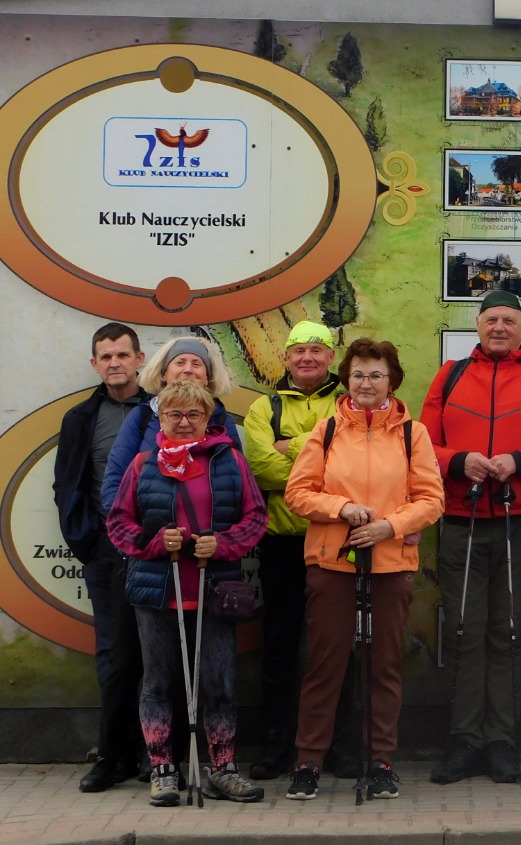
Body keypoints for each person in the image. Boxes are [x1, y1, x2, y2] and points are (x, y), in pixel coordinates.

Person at [283, 338, 445, 801]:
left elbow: (432, 500)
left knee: (384, 665)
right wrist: (342, 508)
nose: (366, 383)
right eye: (358, 375)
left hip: (390, 564)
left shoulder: (413, 433)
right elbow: (298, 493)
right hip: (332, 563)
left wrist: (388, 527)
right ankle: (308, 763)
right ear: (347, 379)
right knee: (325, 665)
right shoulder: (327, 430)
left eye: (376, 375)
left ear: (392, 381)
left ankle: (381, 763)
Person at [422, 290, 521, 785]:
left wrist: (519, 462)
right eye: (491, 319)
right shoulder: (451, 375)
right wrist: (459, 461)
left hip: (519, 520)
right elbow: (423, 445)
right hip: (460, 519)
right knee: (464, 632)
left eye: (509, 319)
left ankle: (502, 741)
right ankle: (464, 741)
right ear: (478, 325)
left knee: (507, 633)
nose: (500, 327)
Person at [105, 379, 267, 806]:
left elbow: (255, 518)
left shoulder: (230, 461)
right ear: (160, 418)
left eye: (193, 414)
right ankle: (162, 770)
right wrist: (156, 543)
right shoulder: (143, 464)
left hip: (214, 590)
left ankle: (223, 769)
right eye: (174, 414)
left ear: (208, 419)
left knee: (220, 684)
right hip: (158, 591)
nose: (183, 422)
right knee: (157, 683)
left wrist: (224, 544)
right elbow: (119, 523)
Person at [242, 320, 345, 782]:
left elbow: (347, 469)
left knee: (335, 648)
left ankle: (336, 746)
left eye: (316, 350)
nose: (307, 357)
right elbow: (260, 468)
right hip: (282, 544)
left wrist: (294, 446)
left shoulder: (347, 403)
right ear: (285, 357)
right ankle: (277, 746)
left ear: (330, 358)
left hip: (336, 540)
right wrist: (318, 451)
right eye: (299, 350)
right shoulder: (263, 407)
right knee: (280, 647)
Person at [55, 322, 149, 793]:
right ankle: (112, 756)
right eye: (106, 356)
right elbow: (67, 484)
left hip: (158, 549)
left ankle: (156, 754)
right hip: (107, 551)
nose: (115, 363)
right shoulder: (81, 417)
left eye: (122, 354)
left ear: (140, 359)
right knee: (114, 655)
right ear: (95, 364)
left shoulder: (160, 411)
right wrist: (87, 542)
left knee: (156, 654)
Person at [100, 336, 244, 515]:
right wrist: (131, 528)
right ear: (164, 374)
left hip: (212, 528)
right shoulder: (142, 416)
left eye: (197, 364)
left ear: (208, 377)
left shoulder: (221, 420)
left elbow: (241, 481)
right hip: (150, 527)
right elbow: (115, 480)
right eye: (180, 362)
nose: (188, 370)